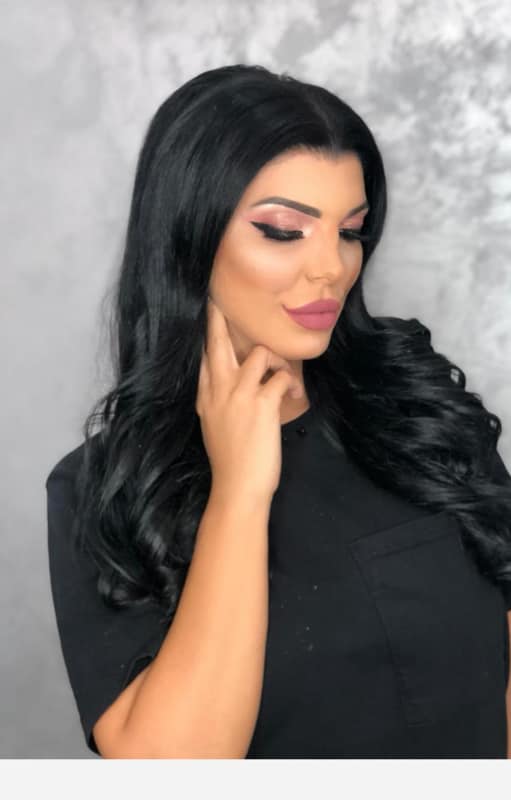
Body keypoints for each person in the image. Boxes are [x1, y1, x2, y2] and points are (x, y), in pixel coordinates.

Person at [46, 64, 511, 759]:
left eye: (350, 231)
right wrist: (239, 493)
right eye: (284, 230)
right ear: (189, 236)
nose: (332, 267)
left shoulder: (420, 413)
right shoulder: (107, 488)